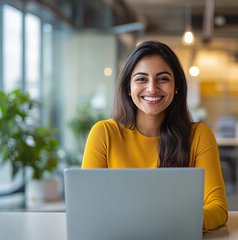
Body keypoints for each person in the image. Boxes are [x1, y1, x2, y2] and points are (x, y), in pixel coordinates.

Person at [81, 41, 228, 231]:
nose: (152, 88)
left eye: (163, 79)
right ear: (128, 87)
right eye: (141, 79)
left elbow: (218, 208)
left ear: (177, 87)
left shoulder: (199, 135)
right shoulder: (104, 133)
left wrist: (177, 225)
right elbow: (86, 207)